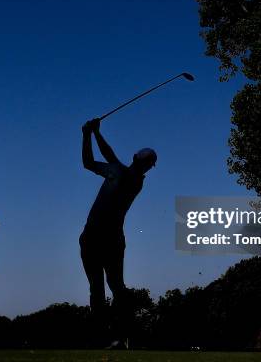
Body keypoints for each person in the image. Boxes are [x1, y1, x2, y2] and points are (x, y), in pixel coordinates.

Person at [79, 118, 157, 349]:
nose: (145, 167)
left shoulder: (132, 179)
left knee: (112, 287)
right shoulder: (117, 171)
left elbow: (109, 156)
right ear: (145, 163)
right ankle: (108, 338)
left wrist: (93, 132)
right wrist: (88, 135)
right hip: (94, 237)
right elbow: (88, 162)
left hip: (107, 239)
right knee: (101, 287)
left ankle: (121, 336)